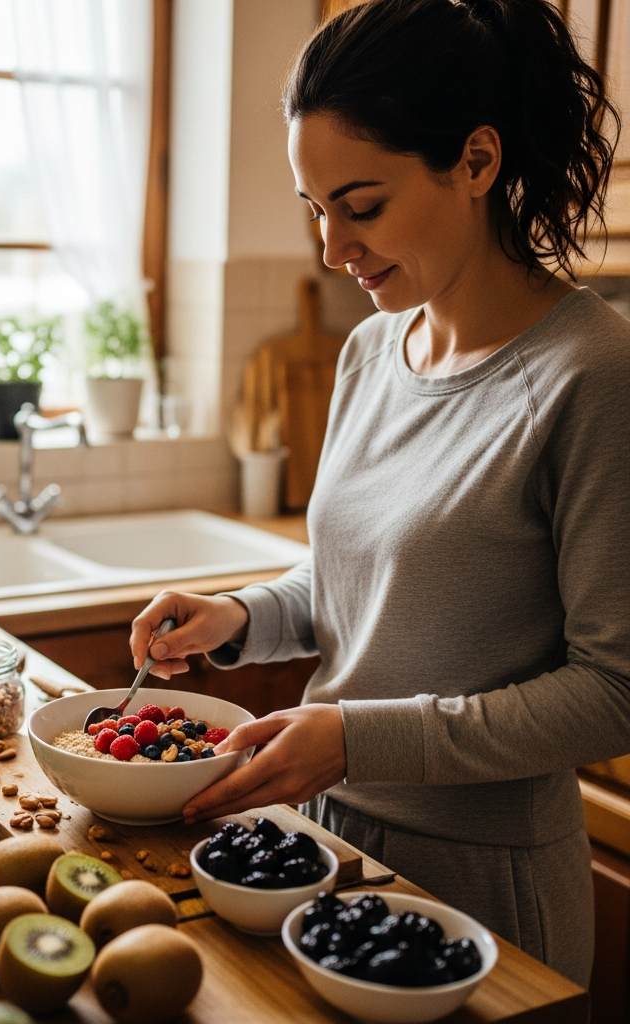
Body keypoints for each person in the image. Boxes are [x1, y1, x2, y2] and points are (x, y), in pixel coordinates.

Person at [130, 0, 628, 987]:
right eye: (313, 209)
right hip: (320, 843)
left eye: (360, 206)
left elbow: (613, 693)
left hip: (486, 886)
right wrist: (238, 618)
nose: (330, 246)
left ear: (476, 162)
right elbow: (359, 577)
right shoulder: (370, 351)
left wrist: (358, 737)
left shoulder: (593, 374)